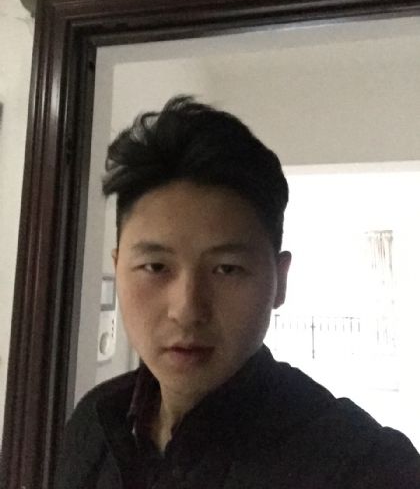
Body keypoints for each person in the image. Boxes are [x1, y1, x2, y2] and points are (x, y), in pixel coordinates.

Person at [55, 96, 420, 488]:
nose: (187, 309)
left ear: (280, 281)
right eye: (155, 267)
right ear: (117, 269)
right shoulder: (94, 422)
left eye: (227, 269)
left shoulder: (365, 466)